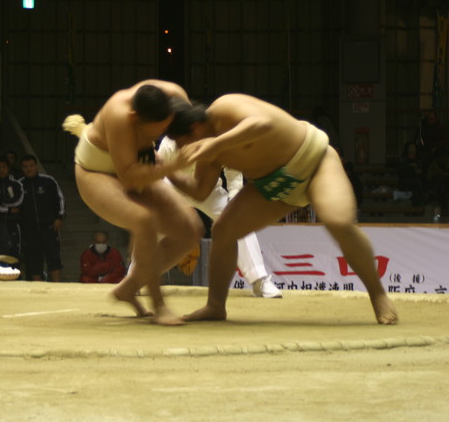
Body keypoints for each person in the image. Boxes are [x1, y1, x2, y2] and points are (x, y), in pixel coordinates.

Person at [167, 94, 398, 325]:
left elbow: (262, 123)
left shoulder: (224, 108)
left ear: (195, 129)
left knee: (338, 222)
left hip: (314, 161)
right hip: (275, 187)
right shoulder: (207, 155)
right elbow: (200, 192)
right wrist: (167, 171)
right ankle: (215, 306)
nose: (180, 149)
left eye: (179, 142)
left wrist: (215, 144)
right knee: (223, 229)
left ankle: (378, 294)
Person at [64, 80, 203, 326]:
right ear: (135, 117)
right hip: (96, 171)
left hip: (140, 162)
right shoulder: (119, 115)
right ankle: (159, 306)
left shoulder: (174, 96)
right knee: (143, 219)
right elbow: (129, 177)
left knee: (190, 230)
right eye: (154, 133)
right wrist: (171, 166)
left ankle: (128, 289)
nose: (158, 136)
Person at [157, 135, 282, 298]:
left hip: (208, 189)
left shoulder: (219, 138)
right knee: (153, 219)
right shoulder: (170, 142)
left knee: (238, 219)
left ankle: (260, 280)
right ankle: (136, 277)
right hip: (174, 186)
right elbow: (158, 174)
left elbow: (233, 172)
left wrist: (234, 198)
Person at [19, 155, 65, 282]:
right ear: (22, 169)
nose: (29, 169)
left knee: (54, 259)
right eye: (25, 167)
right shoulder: (19, 184)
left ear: (36, 166)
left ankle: (57, 287)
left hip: (50, 228)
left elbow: (60, 199)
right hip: (30, 231)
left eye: (31, 166)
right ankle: (38, 289)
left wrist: (59, 217)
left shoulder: (49, 181)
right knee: (34, 262)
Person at [0, 156, 24, 257]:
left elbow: (19, 201)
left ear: (8, 168)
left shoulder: (17, 184)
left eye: (4, 167)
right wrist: (9, 209)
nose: (1, 170)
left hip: (13, 223)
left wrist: (1, 202)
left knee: (14, 254)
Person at [395, 141, 425, 206]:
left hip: (417, 180)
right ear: (407, 149)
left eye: (414, 148)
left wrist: (418, 170)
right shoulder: (403, 159)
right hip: (405, 180)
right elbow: (400, 170)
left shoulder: (419, 159)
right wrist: (410, 167)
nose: (412, 150)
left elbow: (421, 170)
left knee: (418, 184)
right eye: (411, 148)